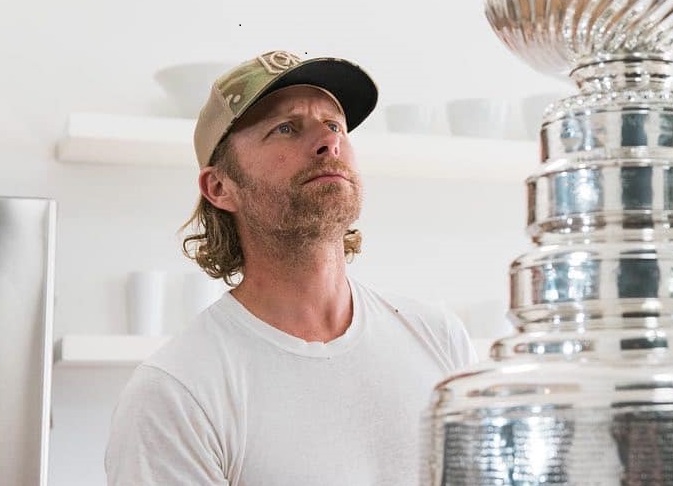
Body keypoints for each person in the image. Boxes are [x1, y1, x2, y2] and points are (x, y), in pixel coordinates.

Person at [104, 50, 478, 485]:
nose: (328, 142)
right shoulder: (176, 391)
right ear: (220, 186)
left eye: (334, 124)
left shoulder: (438, 339)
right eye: (285, 128)